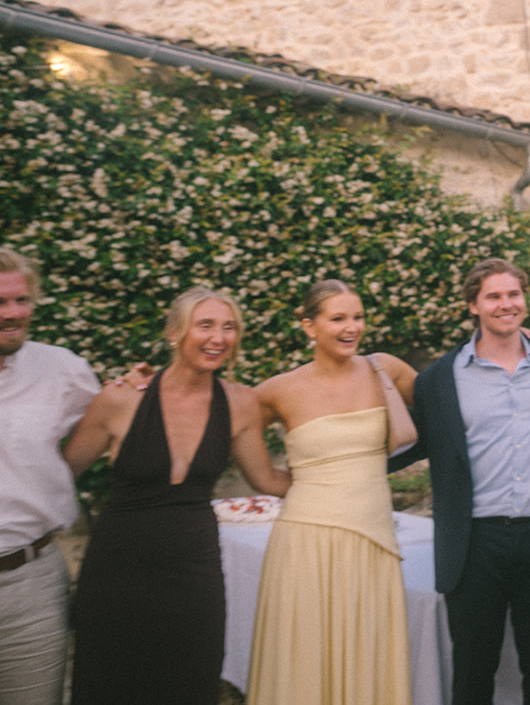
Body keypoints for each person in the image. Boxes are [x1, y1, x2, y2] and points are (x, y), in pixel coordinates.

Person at [63, 287, 290, 705]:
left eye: (229, 327)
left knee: (191, 682)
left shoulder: (241, 403)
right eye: (205, 325)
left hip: (193, 572)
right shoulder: (121, 399)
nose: (218, 337)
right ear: (174, 332)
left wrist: (344, 472)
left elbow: (268, 480)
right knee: (110, 684)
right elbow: (60, 472)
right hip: (117, 570)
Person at [392, 258, 530, 705]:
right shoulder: (440, 378)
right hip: (476, 541)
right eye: (493, 296)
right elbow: (413, 443)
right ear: (473, 305)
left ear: (525, 299)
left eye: (513, 294)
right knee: (474, 668)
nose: (505, 304)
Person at [246, 280, 417, 705]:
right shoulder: (277, 390)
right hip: (307, 541)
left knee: (367, 649)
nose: (351, 327)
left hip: (373, 539)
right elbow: (225, 423)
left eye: (357, 317)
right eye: (338, 318)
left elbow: (451, 394)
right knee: (307, 655)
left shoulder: (385, 370)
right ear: (310, 326)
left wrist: (503, 343)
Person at [0, 247, 99, 705]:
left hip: (31, 585)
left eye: (21, 300)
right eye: (1, 302)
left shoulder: (62, 369)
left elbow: (116, 423)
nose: (13, 313)